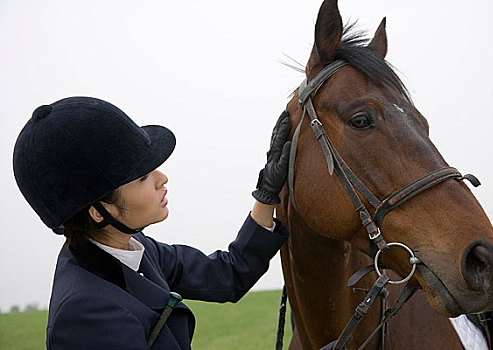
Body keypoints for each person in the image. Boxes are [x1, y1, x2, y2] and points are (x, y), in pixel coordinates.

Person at [12, 96, 292, 349]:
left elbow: (226, 275)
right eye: (143, 177)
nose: (162, 178)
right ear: (98, 211)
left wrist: (266, 195)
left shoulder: (133, 249)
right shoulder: (85, 316)